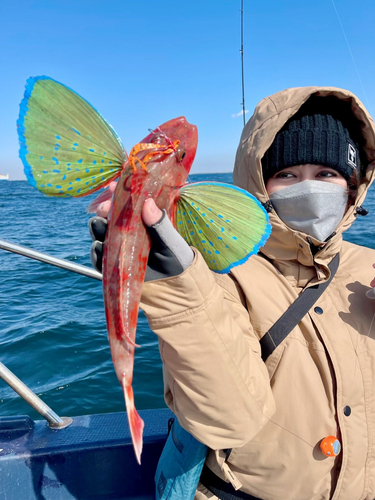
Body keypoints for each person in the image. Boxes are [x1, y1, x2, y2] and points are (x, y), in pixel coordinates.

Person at [90, 86, 375, 500]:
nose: (310, 189)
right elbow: (229, 418)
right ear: (259, 181)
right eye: (288, 174)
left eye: (327, 175)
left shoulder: (367, 265)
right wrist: (176, 286)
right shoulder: (217, 268)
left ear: (352, 185)